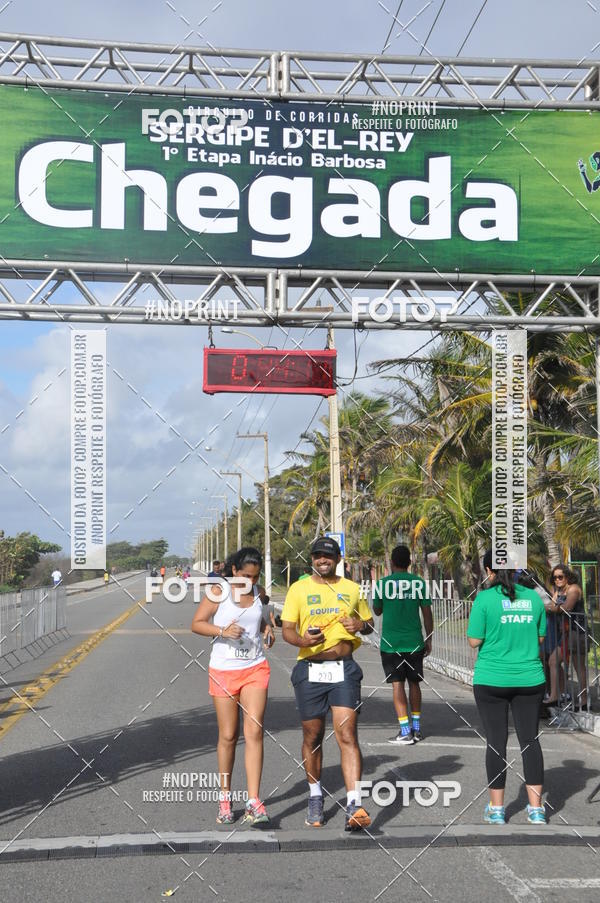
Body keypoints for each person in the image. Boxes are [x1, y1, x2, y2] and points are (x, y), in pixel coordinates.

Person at [281, 536, 374, 831]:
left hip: (343, 670)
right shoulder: (299, 588)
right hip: (310, 669)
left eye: (328, 556)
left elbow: (368, 623)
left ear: (337, 559)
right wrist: (303, 640)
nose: (323, 560)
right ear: (312, 559)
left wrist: (359, 626)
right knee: (313, 736)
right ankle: (315, 796)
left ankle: (354, 803)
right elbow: (287, 631)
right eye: (318, 556)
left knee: (347, 734)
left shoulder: (351, 588)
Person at [191, 547, 274, 826]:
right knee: (228, 735)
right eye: (245, 576)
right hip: (224, 670)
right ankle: (225, 799)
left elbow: (262, 615)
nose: (249, 581)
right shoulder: (219, 592)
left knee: (254, 731)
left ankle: (254, 801)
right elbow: (197, 624)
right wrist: (222, 631)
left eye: (255, 576)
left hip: (255, 668)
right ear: (234, 571)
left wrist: (267, 628)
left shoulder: (259, 592)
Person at [467, 550, 547, 826]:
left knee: (496, 742)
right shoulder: (534, 598)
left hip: (492, 679)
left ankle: (498, 809)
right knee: (530, 741)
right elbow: (539, 637)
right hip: (529, 678)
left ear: (489, 569)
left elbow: (474, 640)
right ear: (515, 570)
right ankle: (536, 810)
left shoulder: (485, 599)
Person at [372, 544, 433, 745]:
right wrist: (429, 638)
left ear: (392, 562)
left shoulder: (382, 584)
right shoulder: (418, 583)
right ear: (409, 562)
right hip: (414, 641)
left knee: (397, 684)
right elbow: (426, 613)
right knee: (415, 683)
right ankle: (416, 729)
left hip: (391, 643)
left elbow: (378, 610)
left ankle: (405, 730)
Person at [546, 567, 588, 711]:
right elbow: (553, 606)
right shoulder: (558, 591)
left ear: (568, 577)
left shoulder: (574, 589)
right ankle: (555, 695)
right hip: (566, 633)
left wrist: (550, 607)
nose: (557, 580)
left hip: (577, 632)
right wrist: (552, 607)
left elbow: (567, 607)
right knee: (553, 661)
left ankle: (584, 700)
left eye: (560, 577)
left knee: (578, 667)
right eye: (555, 577)